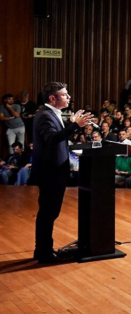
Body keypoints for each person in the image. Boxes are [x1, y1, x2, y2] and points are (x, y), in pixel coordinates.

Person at [31, 82, 95, 263]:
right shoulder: (45, 115)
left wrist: (70, 123)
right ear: (53, 98)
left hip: (53, 172)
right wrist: (74, 126)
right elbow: (51, 139)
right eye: (65, 94)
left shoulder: (50, 114)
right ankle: (44, 253)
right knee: (48, 213)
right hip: (50, 173)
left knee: (49, 212)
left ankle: (43, 250)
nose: (69, 97)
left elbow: (56, 134)